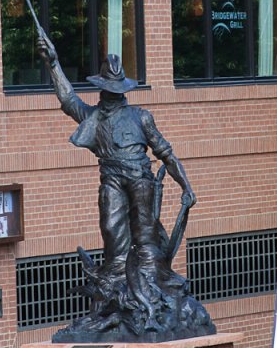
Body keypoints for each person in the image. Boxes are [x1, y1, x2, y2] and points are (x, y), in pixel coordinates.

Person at [38, 35, 196, 283]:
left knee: (146, 240)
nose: (111, 94)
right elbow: (68, 100)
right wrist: (54, 64)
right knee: (113, 234)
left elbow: (166, 154)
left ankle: (150, 291)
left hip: (140, 180)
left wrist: (185, 186)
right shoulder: (94, 117)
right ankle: (117, 288)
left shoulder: (141, 117)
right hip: (111, 179)